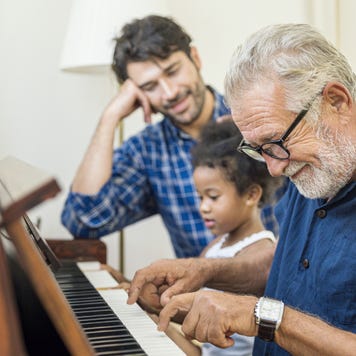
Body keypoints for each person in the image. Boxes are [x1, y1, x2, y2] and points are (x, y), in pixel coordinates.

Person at [127, 23, 356, 355]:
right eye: (258, 149)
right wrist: (204, 271)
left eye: (275, 142)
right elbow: (289, 269)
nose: (275, 167)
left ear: (336, 101)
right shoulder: (312, 166)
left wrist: (260, 317)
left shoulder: (312, 160)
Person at [60, 15, 282, 259]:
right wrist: (109, 118)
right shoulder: (148, 151)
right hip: (198, 294)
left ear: (195, 58)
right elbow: (83, 221)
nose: (170, 92)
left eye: (172, 71)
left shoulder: (253, 118)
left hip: (280, 286)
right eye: (149, 86)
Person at [191, 119, 283, 355]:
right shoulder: (215, 246)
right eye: (200, 197)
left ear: (251, 194)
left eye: (212, 197)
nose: (203, 207)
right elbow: (190, 304)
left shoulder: (261, 250)